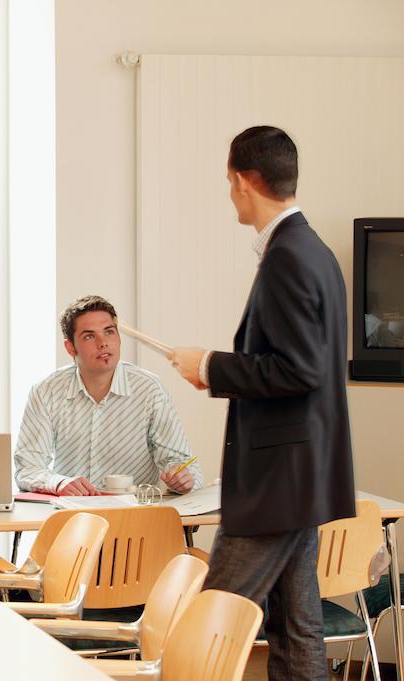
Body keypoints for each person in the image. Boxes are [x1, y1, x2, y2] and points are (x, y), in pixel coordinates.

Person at [168, 125, 355, 681]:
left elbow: (299, 370)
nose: (230, 194)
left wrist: (208, 365)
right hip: (300, 479)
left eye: (229, 183)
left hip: (276, 482)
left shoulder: (288, 257)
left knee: (212, 623)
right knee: (298, 629)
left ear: (245, 181)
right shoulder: (312, 250)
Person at [14, 295, 202, 496]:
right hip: (73, 518)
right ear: (70, 347)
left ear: (119, 338)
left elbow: (182, 465)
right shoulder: (46, 391)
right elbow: (28, 468)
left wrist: (181, 478)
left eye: (109, 332)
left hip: (135, 518)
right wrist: (59, 483)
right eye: (89, 336)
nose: (103, 343)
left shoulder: (149, 390)